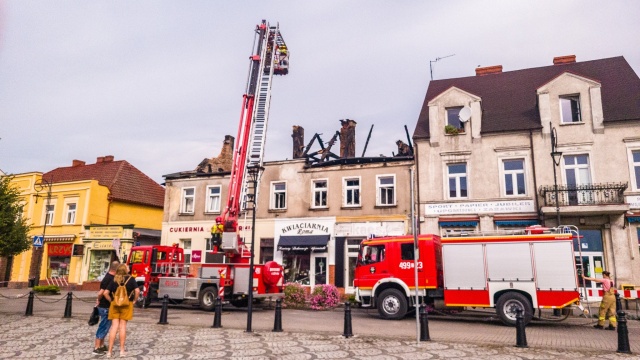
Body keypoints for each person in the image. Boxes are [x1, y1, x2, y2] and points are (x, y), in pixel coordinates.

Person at [104, 264, 140, 358]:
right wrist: (135, 300)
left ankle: (109, 352)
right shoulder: (131, 279)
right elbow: (137, 291)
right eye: (127, 267)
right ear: (125, 270)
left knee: (114, 327)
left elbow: (105, 293)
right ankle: (122, 351)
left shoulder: (114, 279)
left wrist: (111, 300)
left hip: (115, 305)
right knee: (122, 326)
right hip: (127, 305)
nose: (129, 268)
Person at [93, 260, 119, 356]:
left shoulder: (108, 277)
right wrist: (99, 300)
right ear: (116, 269)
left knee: (106, 326)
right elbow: (101, 292)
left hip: (104, 306)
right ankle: (96, 346)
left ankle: (102, 345)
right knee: (104, 326)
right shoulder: (109, 278)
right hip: (105, 306)